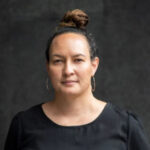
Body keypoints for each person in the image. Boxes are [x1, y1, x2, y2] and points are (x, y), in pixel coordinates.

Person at [4, 9, 150, 150]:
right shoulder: (24, 125)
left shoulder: (125, 125)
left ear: (94, 66)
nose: (68, 70)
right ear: (48, 67)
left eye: (78, 60)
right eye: (58, 61)